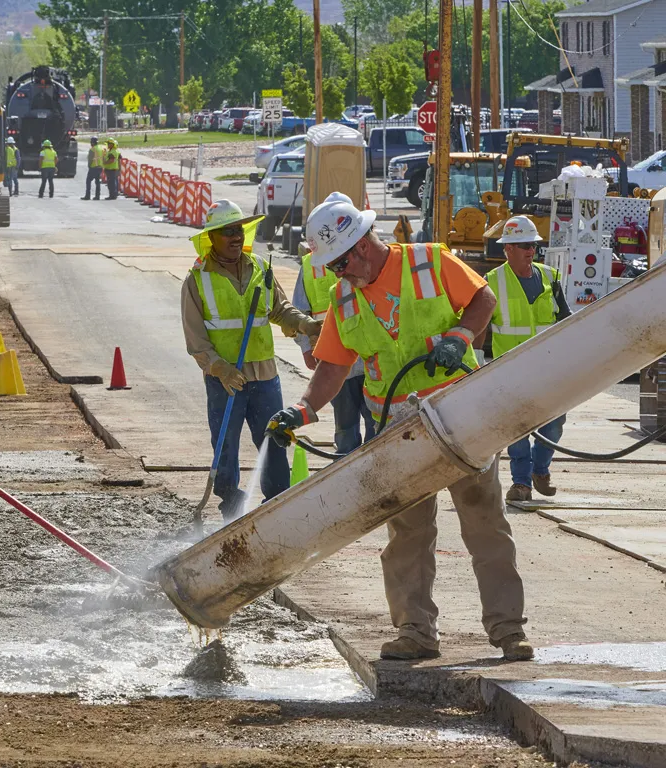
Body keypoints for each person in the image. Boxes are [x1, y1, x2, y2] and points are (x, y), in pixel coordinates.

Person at [267, 198, 533, 662]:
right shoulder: (344, 299)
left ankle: (508, 631)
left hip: (459, 416)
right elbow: (332, 368)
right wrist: (302, 410)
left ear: (362, 246)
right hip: (401, 431)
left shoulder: (428, 261)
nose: (335, 274)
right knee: (408, 534)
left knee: (486, 525)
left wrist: (459, 338)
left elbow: (482, 299)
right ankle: (415, 631)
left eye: (339, 263)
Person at [182, 200, 322, 520]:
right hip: (225, 379)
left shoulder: (261, 267)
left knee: (274, 437)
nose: (235, 236)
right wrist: (220, 369)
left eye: (239, 230)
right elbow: (195, 338)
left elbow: (279, 309)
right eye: (228, 231)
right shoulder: (198, 279)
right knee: (226, 442)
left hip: (264, 374)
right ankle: (229, 498)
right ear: (213, 237)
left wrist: (305, 324)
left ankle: (277, 500)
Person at [486, 215, 571, 502]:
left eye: (533, 245)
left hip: (549, 369)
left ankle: (541, 469)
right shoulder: (492, 282)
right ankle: (521, 482)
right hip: (510, 371)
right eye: (523, 245)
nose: (530, 250)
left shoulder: (550, 277)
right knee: (516, 429)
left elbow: (566, 319)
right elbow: (477, 324)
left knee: (555, 423)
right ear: (507, 249)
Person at [291, 192, 375, 454]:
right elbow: (299, 310)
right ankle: (346, 474)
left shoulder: (370, 261)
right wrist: (307, 347)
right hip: (337, 363)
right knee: (346, 428)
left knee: (376, 427)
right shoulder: (310, 266)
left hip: (370, 358)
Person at [82, 136, 104, 200]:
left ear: (92, 143)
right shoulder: (101, 148)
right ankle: (97, 196)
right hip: (100, 167)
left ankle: (87, 195)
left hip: (93, 167)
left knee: (88, 181)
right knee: (97, 182)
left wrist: (89, 166)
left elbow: (90, 159)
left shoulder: (92, 149)